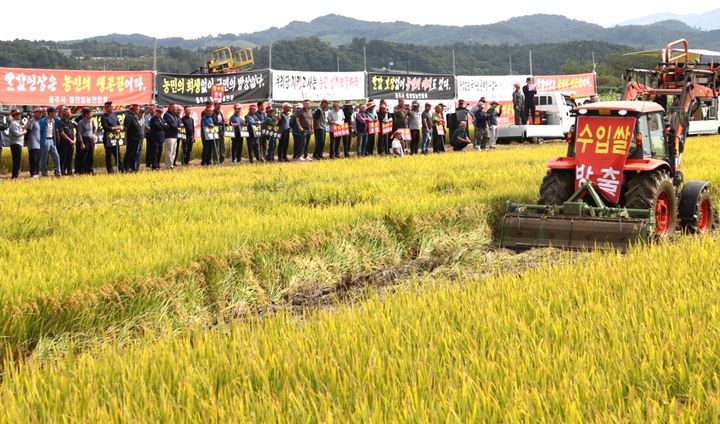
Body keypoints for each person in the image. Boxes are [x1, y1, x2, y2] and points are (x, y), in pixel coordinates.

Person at [100, 101, 124, 173]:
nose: (110, 107)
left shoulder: (114, 114)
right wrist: (114, 129)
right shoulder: (103, 116)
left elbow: (118, 124)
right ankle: (110, 170)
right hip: (108, 138)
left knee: (117, 153)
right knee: (109, 154)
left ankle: (121, 168)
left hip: (115, 137)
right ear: (105, 108)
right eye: (108, 106)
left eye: (111, 106)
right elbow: (105, 127)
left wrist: (118, 129)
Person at [40, 106, 62, 177]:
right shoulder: (43, 121)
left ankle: (58, 172)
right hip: (45, 140)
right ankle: (44, 173)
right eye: (54, 112)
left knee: (56, 156)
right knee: (44, 158)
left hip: (51, 140)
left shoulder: (53, 121)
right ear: (50, 113)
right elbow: (39, 132)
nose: (56, 114)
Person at [75, 108, 97, 174]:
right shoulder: (81, 122)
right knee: (83, 156)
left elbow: (94, 128)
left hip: (90, 140)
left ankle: (90, 170)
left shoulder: (91, 121)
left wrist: (94, 134)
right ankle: (82, 171)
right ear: (86, 114)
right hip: (84, 140)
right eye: (90, 113)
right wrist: (81, 143)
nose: (91, 115)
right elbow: (79, 133)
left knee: (91, 156)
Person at [5, 109, 26, 179]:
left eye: (20, 114)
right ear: (14, 116)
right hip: (15, 144)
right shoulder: (13, 123)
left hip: (18, 144)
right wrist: (24, 132)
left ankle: (15, 175)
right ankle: (15, 176)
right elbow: (17, 134)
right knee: (16, 160)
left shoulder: (17, 123)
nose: (20, 115)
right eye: (18, 114)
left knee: (17, 160)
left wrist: (28, 123)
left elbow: (22, 129)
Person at [123, 104, 143, 172]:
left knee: (136, 154)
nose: (138, 111)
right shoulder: (129, 117)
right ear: (133, 109)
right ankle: (127, 167)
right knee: (130, 153)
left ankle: (133, 167)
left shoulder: (135, 116)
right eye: (137, 109)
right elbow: (126, 127)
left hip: (137, 138)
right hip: (132, 138)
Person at [56, 108, 76, 175]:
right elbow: (62, 133)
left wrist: (74, 140)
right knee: (63, 158)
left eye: (70, 112)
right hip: (64, 143)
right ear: (64, 114)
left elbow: (73, 132)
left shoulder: (70, 122)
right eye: (69, 113)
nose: (70, 114)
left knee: (70, 158)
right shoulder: (60, 122)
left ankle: (69, 171)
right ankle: (62, 171)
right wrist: (70, 140)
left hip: (71, 143)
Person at [161, 104, 180, 169]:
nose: (175, 109)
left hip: (175, 135)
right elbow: (171, 123)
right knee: (169, 151)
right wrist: (177, 128)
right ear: (170, 108)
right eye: (174, 108)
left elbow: (178, 122)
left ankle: (171, 163)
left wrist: (179, 126)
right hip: (169, 135)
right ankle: (168, 165)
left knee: (173, 151)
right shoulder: (167, 115)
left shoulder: (174, 115)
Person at [26, 108, 43, 177]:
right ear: (35, 113)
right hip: (33, 142)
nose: (41, 114)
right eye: (39, 112)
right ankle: (33, 173)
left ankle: (36, 172)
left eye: (41, 112)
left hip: (38, 143)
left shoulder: (39, 121)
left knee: (37, 158)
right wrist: (29, 121)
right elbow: (28, 129)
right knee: (33, 158)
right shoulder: (32, 120)